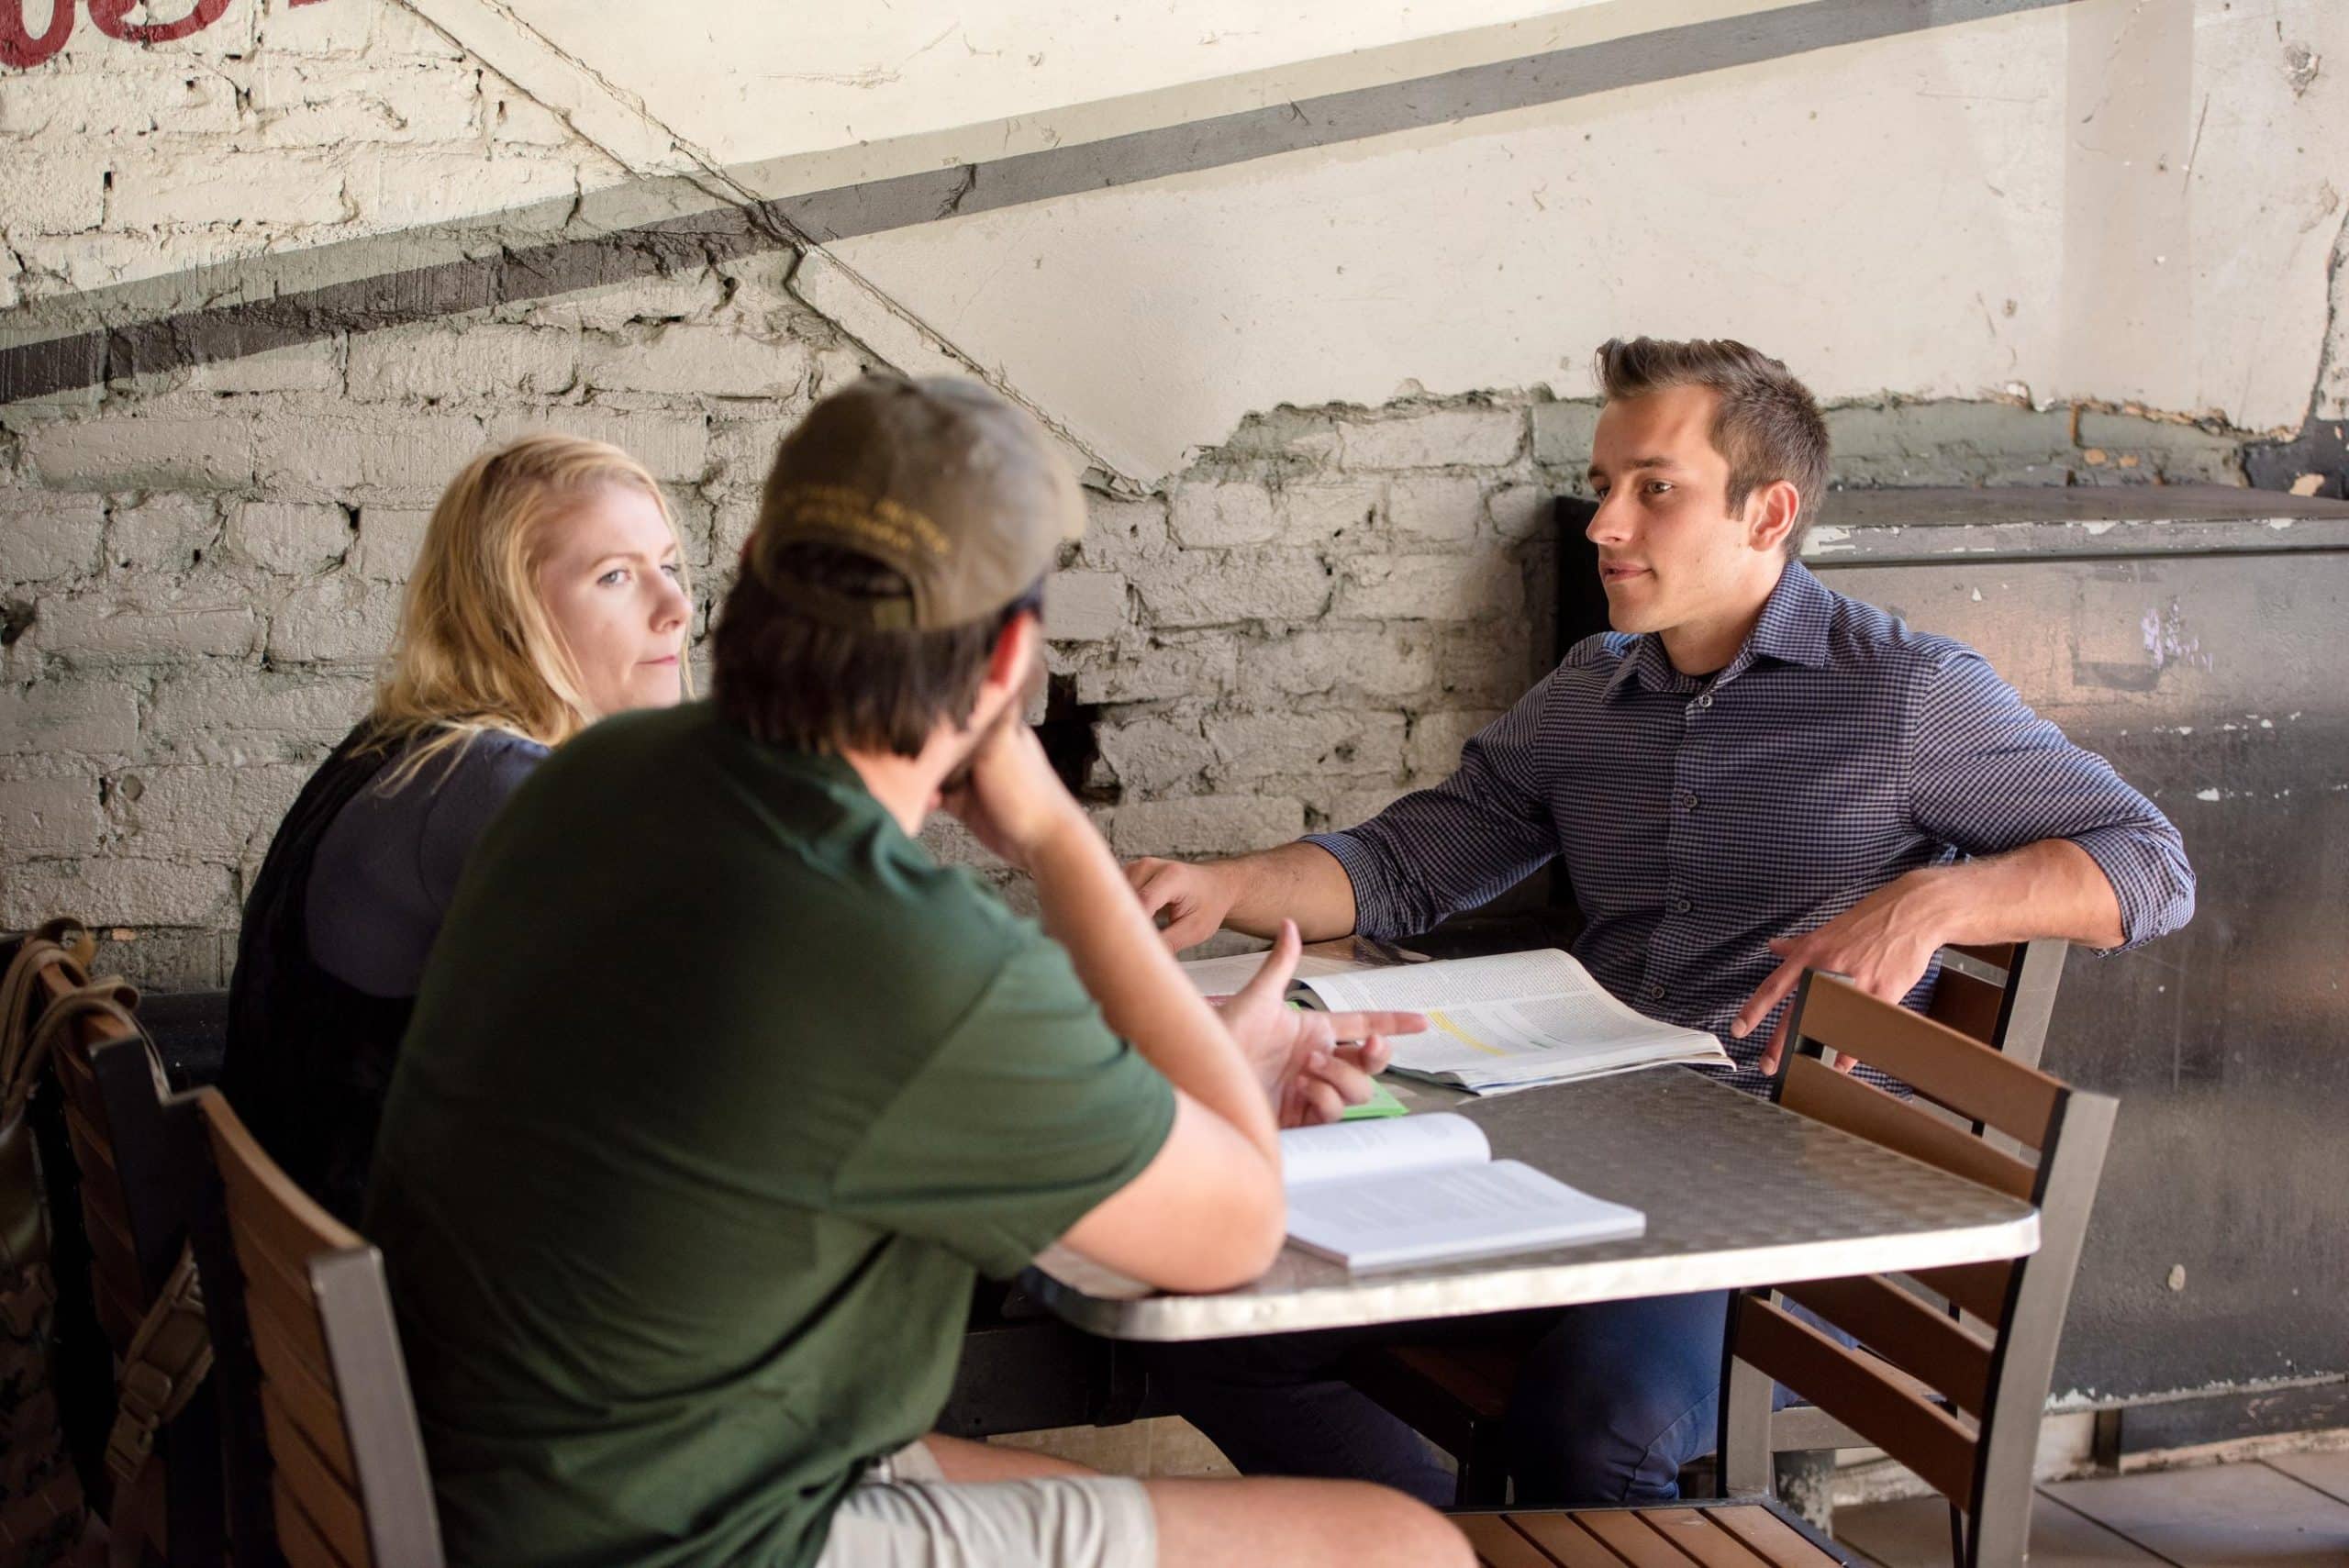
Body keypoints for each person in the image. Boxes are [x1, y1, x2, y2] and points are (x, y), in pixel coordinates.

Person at [364, 376, 1473, 1568]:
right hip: (671, 1537)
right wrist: (1054, 837)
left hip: (547, 1475)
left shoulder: (599, 774)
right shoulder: (909, 951)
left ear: (745, 565)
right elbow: (1236, 1226)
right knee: (1396, 1546)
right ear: (1007, 657)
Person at [1126, 337, 2198, 1507]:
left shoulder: (1905, 693)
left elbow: (2149, 866)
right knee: (1206, 1313)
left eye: (1653, 488)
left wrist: (1938, 896)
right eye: (1602, 487)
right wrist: (1225, 886)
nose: (1603, 526)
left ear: (1767, 511)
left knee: (1590, 1431)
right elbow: (1403, 865)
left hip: (1789, 1206)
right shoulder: (1592, 688)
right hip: (1580, 1144)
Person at [223, 433, 692, 1223]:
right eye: (615, 575)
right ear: (509, 613)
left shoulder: (405, 742)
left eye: (669, 565)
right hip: (388, 1310)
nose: (677, 607)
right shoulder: (492, 781)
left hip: (303, 1276)